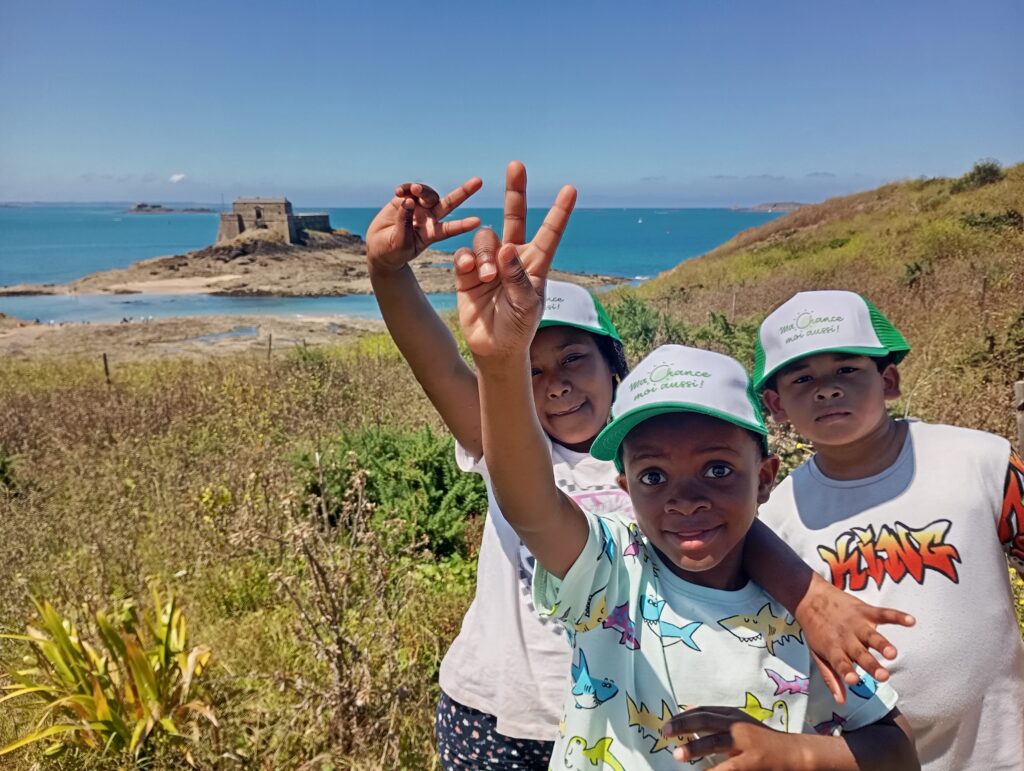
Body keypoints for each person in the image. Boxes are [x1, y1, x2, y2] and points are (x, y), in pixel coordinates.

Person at [365, 165, 912, 769]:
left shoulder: (659, 448)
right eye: (532, 370)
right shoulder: (521, 450)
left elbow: (740, 536)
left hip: (637, 709)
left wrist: (806, 599)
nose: (554, 385)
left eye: (573, 359)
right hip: (506, 706)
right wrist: (446, 319)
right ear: (629, 486)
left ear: (613, 366)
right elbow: (530, 502)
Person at [753, 289, 1024, 771]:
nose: (827, 388)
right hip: (861, 757)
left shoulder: (981, 461)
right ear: (776, 405)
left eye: (847, 370)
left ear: (889, 379)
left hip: (999, 749)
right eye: (802, 378)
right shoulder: (774, 517)